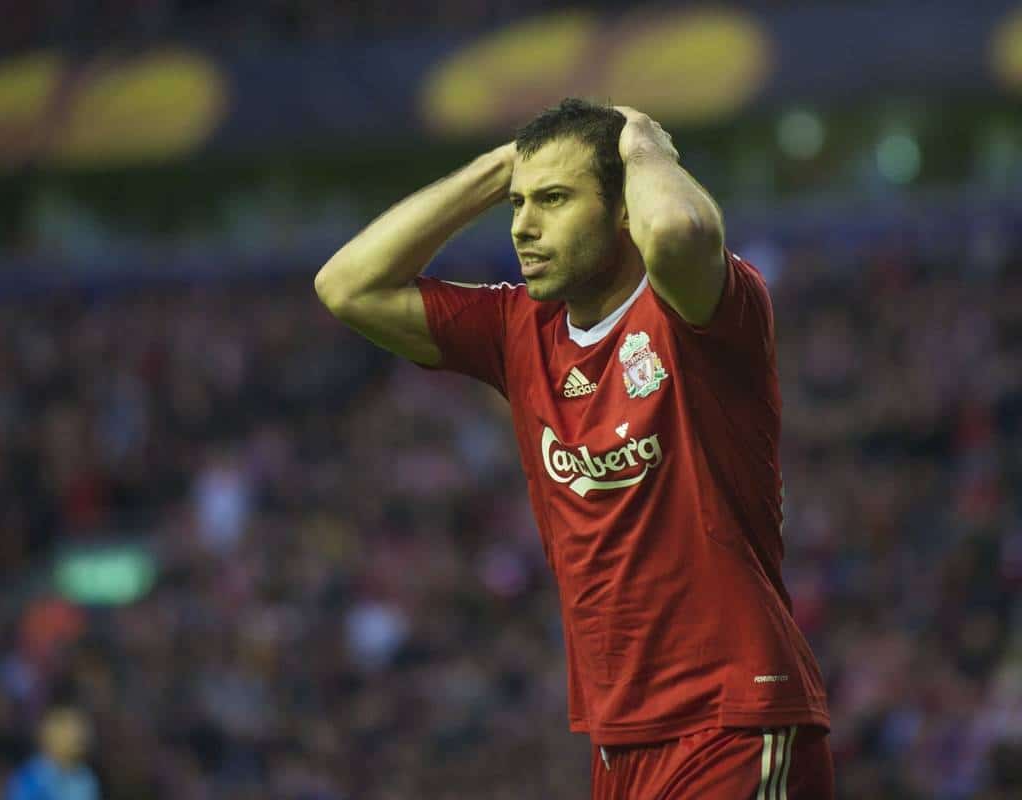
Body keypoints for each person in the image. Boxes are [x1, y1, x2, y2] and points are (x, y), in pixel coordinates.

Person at [314, 97, 834, 798]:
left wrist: (645, 142)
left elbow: (679, 228)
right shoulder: (516, 328)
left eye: (554, 199)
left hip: (735, 718)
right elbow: (347, 286)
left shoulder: (701, 310)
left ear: (624, 208)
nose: (523, 226)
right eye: (517, 203)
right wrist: (503, 165)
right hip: (619, 740)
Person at [5, 706, 100, 800]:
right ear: (47, 733)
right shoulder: (29, 778)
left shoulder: (85, 777)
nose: (76, 735)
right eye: (66, 728)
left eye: (78, 728)